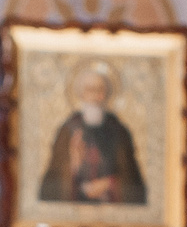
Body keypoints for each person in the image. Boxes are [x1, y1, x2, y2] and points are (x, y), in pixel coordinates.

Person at [39, 65, 149, 204]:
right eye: (90, 90)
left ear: (108, 93)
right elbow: (51, 186)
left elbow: (133, 182)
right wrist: (73, 165)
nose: (96, 96)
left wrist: (109, 184)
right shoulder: (67, 130)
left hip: (111, 210)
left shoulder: (119, 132)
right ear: (81, 94)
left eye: (101, 90)